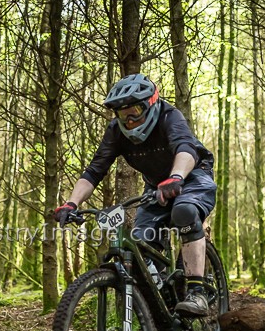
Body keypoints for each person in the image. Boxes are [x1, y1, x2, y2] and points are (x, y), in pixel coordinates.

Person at [53, 73, 217, 317]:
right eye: (122, 113)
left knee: (184, 211)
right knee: (140, 246)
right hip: (155, 187)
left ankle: (198, 293)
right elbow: (94, 171)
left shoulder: (169, 116)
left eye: (135, 111)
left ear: (150, 103)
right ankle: (165, 302)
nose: (129, 120)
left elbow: (185, 148)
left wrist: (176, 177)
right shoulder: (116, 132)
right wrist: (71, 203)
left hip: (192, 176)